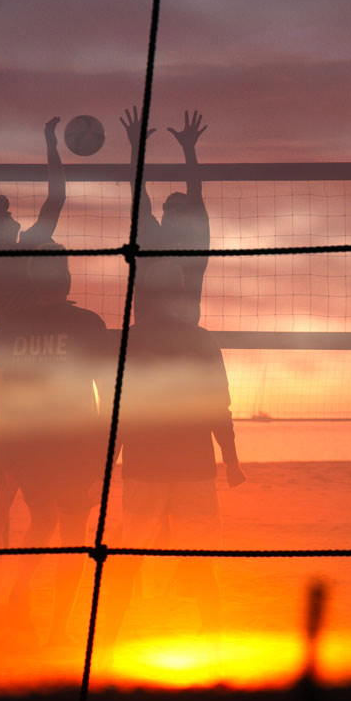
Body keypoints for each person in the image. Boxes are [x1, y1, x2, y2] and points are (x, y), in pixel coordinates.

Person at [95, 260, 247, 663]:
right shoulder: (201, 340)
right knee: (199, 559)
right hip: (193, 468)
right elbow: (219, 406)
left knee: (128, 558)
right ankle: (212, 637)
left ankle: (107, 640)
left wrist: (106, 467)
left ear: (145, 296)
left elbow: (116, 413)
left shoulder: (128, 342)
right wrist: (231, 460)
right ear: (179, 295)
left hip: (144, 469)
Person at [0, 246, 114, 646]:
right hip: (77, 449)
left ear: (32, 282)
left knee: (41, 521)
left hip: (29, 447)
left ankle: (19, 590)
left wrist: (2, 455)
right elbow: (109, 395)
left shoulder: (11, 325)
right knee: (74, 534)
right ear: (68, 282)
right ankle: (59, 628)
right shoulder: (88, 323)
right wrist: (106, 458)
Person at [0, 117, 67, 321]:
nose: (9, 214)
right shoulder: (25, 250)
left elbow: (56, 200)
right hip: (35, 335)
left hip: (16, 336)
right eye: (2, 215)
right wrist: (51, 147)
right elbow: (56, 198)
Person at [120, 107, 211, 326]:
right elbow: (138, 189)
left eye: (181, 209)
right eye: (170, 207)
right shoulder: (149, 235)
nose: (174, 212)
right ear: (163, 210)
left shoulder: (195, 243)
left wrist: (189, 148)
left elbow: (195, 192)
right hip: (146, 331)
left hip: (183, 333)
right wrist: (136, 147)